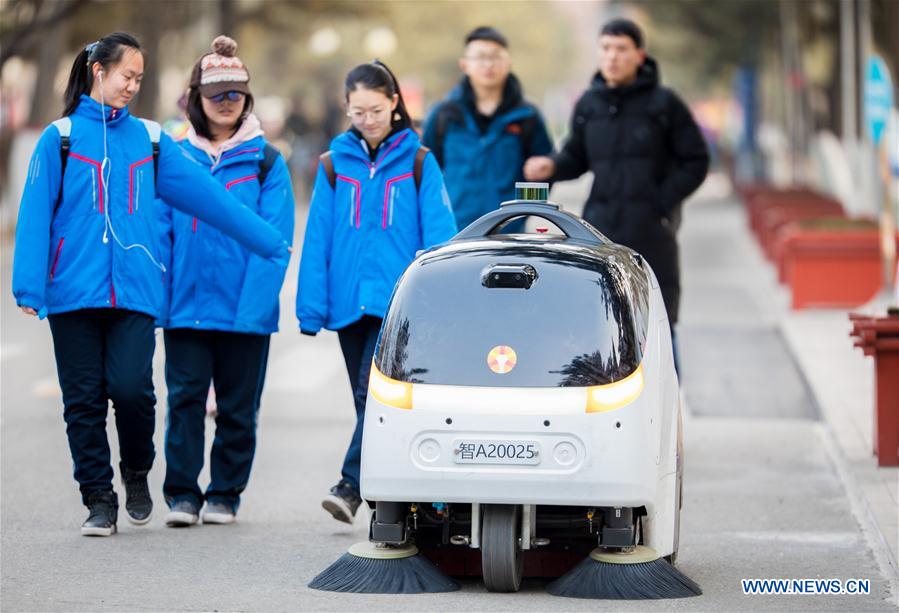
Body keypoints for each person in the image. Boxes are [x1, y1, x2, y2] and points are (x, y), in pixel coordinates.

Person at [11, 32, 290, 537]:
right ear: (99, 72)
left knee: (133, 390)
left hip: (135, 292)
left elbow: (210, 198)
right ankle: (98, 498)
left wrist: (267, 241)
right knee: (83, 402)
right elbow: (34, 213)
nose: (133, 86)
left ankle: (136, 470)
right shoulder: (61, 137)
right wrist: (30, 286)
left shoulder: (151, 140)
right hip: (72, 291)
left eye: (140, 78)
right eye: (127, 76)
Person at [296, 61, 457, 524]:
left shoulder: (419, 162)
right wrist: (312, 307)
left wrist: (437, 306)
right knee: (369, 401)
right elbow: (318, 240)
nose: (367, 120)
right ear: (347, 109)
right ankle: (406, 493)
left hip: (400, 306)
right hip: (349, 305)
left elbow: (440, 239)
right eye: (357, 111)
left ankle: (350, 485)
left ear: (394, 104)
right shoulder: (332, 164)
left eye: (375, 109)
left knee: (375, 398)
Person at [160, 36, 295, 527]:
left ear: (247, 97)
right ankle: (181, 493)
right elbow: (159, 233)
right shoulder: (172, 157)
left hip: (244, 309)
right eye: (215, 93)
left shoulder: (266, 162)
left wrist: (253, 309)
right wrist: (162, 298)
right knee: (185, 400)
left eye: (235, 93)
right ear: (195, 96)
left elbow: (275, 241)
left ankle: (224, 493)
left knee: (238, 408)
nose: (225, 102)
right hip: (186, 305)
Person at [524, 18, 709, 359]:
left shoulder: (664, 105)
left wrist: (661, 202)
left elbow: (696, 161)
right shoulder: (589, 104)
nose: (612, 56)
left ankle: (667, 403)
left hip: (652, 232)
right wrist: (552, 165)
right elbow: (576, 157)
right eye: (606, 48)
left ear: (640, 55)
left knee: (659, 327)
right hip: (600, 231)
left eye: (621, 48)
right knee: (602, 323)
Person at [422, 26, 553, 230]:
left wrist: (521, 215)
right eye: (480, 57)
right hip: (456, 233)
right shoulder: (444, 115)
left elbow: (546, 172)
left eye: (495, 57)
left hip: (510, 235)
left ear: (508, 63)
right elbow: (425, 172)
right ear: (464, 64)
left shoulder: (527, 117)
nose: (488, 64)